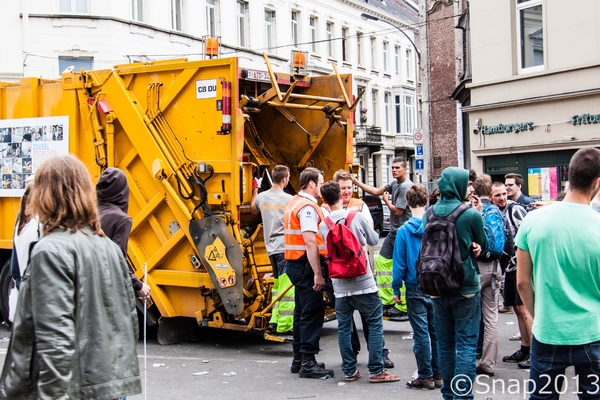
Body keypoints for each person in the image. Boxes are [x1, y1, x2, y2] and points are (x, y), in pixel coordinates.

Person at [0, 155, 141, 399]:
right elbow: (127, 322)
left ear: (45, 195)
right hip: (104, 385)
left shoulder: (50, 250)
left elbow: (56, 343)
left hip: (71, 389)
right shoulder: (107, 247)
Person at [516, 147, 600, 399]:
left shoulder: (532, 220)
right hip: (593, 331)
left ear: (569, 176)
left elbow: (522, 282)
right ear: (597, 182)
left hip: (548, 330)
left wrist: (539, 315)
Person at [319, 181, 399, 383]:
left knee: (344, 328)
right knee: (373, 325)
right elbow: (373, 240)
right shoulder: (355, 216)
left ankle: (349, 370)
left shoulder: (323, 225)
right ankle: (376, 370)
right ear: (340, 195)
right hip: (363, 281)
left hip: (339, 286)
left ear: (324, 200)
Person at [424, 167, 487, 400]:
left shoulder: (429, 213)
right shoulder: (470, 214)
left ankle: (448, 394)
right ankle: (463, 396)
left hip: (437, 286)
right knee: (467, 345)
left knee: (445, 344)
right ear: (459, 185)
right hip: (466, 287)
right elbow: (485, 245)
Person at [284, 167, 335, 379]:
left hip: (294, 263)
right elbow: (310, 241)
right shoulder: (307, 207)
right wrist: (318, 273)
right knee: (312, 313)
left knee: (301, 313)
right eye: (321, 184)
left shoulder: (294, 202)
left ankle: (299, 359)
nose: (322, 188)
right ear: (312, 184)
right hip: (305, 265)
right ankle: (308, 362)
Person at [392, 184, 441, 390]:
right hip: (436, 285)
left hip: (414, 285)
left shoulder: (404, 231)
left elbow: (399, 263)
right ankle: (439, 374)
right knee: (436, 332)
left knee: (421, 333)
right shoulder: (436, 226)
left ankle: (425, 375)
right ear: (427, 202)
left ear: (408, 203)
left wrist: (396, 289)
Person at [352, 157, 412, 321]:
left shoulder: (406, 186)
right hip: (394, 233)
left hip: (402, 232)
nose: (394, 170)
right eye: (392, 167)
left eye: (397, 168)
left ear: (405, 169)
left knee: (402, 267)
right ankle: (387, 300)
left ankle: (403, 306)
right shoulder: (394, 184)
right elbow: (376, 191)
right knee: (382, 261)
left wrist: (386, 200)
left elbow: (398, 211)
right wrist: (356, 182)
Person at [490, 181, 533, 369]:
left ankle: (535, 352)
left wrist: (520, 263)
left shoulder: (515, 210)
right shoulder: (496, 212)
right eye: (497, 195)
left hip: (518, 267)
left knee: (524, 309)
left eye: (503, 194)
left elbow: (527, 237)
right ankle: (525, 347)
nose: (501, 198)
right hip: (509, 268)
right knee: (516, 307)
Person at [250, 165, 294, 338]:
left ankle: (275, 320)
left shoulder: (262, 197)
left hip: (271, 249)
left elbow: (253, 208)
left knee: (277, 286)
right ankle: (284, 326)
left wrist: (255, 187)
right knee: (287, 289)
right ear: (284, 180)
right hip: (285, 248)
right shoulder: (289, 199)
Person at [97, 167, 150, 300]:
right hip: (106, 290)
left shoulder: (90, 213)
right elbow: (117, 260)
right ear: (122, 191)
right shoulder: (121, 219)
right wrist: (138, 285)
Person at [470, 174, 503, 377]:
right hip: (494, 267)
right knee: (491, 317)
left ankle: (468, 356)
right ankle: (488, 363)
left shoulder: (473, 211)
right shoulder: (496, 211)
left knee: (471, 315)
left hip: (476, 267)